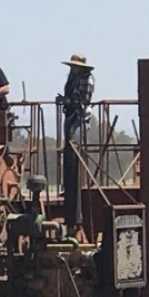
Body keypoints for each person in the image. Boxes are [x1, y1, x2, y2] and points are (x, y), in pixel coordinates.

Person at [58, 53, 95, 226]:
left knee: (73, 147)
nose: (72, 69)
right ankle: (69, 186)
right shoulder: (73, 79)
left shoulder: (87, 79)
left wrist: (66, 100)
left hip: (79, 117)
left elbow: (83, 100)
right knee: (69, 147)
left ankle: (72, 187)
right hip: (72, 116)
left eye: (74, 66)